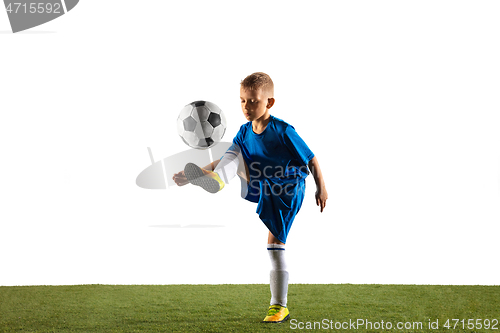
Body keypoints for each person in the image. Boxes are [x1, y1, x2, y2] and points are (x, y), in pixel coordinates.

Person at [173, 72, 328, 323]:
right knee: (233, 152)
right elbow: (226, 160)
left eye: (254, 101)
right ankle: (216, 180)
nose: (247, 106)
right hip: (263, 182)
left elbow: (311, 159)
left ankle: (279, 306)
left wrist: (321, 188)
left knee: (275, 247)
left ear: (269, 103)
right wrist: (197, 174)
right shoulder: (245, 131)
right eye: (243, 101)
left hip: (287, 189)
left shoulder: (283, 131)